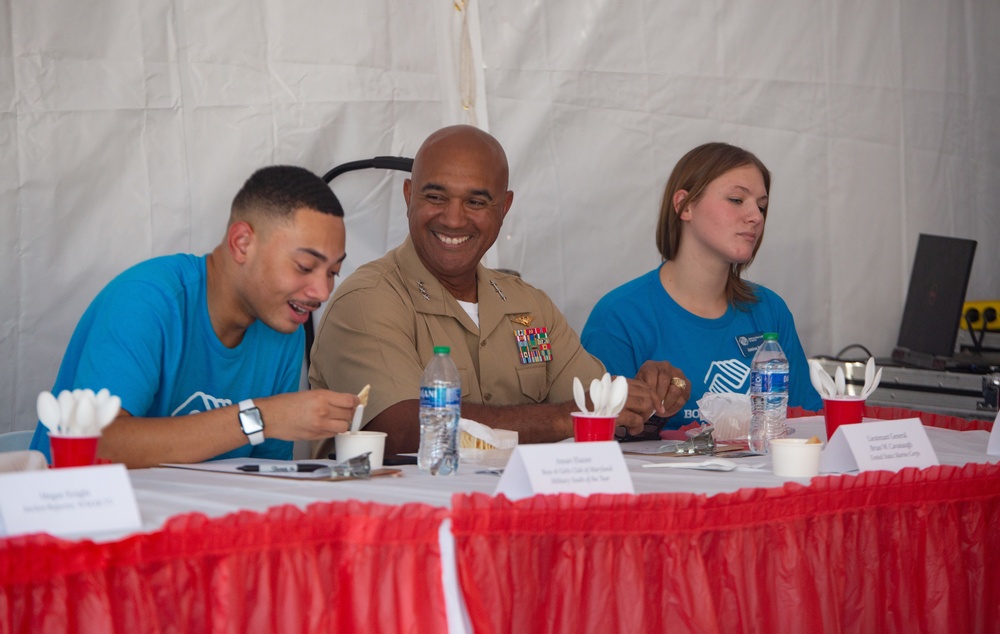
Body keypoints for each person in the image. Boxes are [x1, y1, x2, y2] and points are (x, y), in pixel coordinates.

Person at [309, 125, 689, 457]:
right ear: (409, 196)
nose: (454, 218)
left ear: (504, 207)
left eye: (476, 201)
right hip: (405, 526)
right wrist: (565, 418)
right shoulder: (369, 299)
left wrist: (649, 400)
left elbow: (601, 411)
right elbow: (404, 431)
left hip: (522, 520)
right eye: (436, 197)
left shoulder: (530, 304)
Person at [30, 165, 360, 467]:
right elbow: (99, 444)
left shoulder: (285, 326)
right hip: (77, 520)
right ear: (242, 243)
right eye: (305, 266)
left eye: (333, 271)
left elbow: (266, 473)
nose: (322, 291)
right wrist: (262, 417)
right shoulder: (148, 298)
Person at [582, 142, 822, 431]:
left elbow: (807, 424)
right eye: (736, 200)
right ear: (685, 206)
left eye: (761, 206)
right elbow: (601, 436)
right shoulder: (619, 317)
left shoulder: (770, 310)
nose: (756, 217)